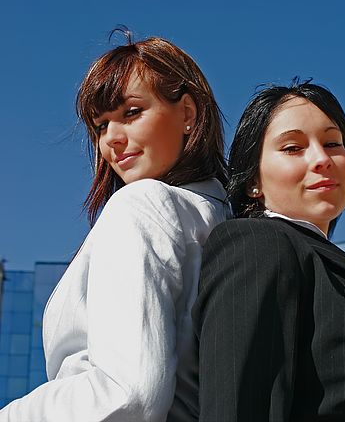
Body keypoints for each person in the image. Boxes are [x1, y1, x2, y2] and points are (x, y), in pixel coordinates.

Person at [0, 29, 228, 422]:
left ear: (187, 113)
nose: (112, 141)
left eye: (131, 113)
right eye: (101, 125)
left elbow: (127, 394)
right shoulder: (221, 217)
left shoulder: (141, 205)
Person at [193, 80, 345, 422]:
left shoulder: (337, 276)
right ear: (252, 182)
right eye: (292, 147)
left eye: (333, 143)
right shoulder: (257, 245)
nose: (322, 159)